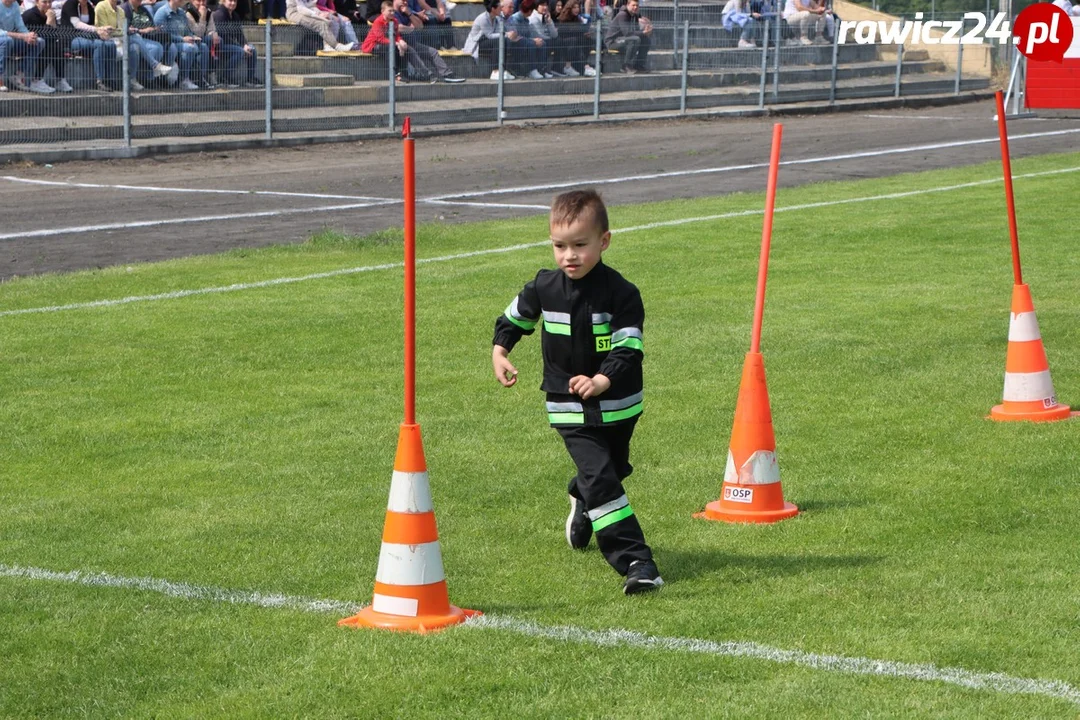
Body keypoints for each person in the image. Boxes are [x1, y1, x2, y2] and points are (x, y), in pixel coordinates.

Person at [491, 189, 663, 596]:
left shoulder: (623, 293)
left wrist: (603, 379)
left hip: (619, 406)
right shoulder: (543, 287)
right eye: (559, 246)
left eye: (580, 245)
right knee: (603, 478)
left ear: (604, 242)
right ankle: (637, 562)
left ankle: (582, 497)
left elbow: (629, 348)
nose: (569, 256)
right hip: (567, 407)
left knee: (612, 470)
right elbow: (514, 318)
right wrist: (501, 350)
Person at [391, 0, 463, 81]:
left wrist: (410, 14)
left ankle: (447, 74)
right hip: (400, 45)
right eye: (403, 0)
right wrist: (411, 28)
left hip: (412, 43)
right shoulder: (391, 13)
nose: (405, 3)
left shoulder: (407, 12)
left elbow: (420, 26)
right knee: (411, 51)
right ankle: (428, 75)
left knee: (433, 52)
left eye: (406, 1)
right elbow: (398, 28)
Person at [61, 0, 116, 90]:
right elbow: (76, 24)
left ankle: (110, 78)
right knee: (99, 44)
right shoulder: (70, 4)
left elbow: (93, 24)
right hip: (71, 38)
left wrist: (103, 31)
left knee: (110, 44)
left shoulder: (89, 6)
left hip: (88, 37)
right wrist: (97, 29)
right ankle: (100, 80)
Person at [154, 0, 209, 89]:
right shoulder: (162, 13)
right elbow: (162, 35)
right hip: (170, 43)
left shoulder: (181, 13)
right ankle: (183, 80)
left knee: (203, 47)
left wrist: (192, 37)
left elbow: (187, 31)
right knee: (190, 48)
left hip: (183, 41)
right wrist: (182, 39)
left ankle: (200, 78)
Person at [121, 0, 177, 85]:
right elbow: (126, 30)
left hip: (146, 37)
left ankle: (151, 78)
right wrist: (142, 31)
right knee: (154, 47)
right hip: (131, 38)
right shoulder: (125, 9)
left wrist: (154, 29)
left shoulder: (143, 9)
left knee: (159, 46)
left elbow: (151, 24)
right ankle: (153, 69)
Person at [1, 0, 49, 92]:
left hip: (11, 39)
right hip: (4, 39)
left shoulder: (14, 4)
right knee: (7, 40)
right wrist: (22, 36)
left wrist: (28, 35)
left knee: (39, 42)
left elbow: (20, 25)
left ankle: (19, 75)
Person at [21, 0, 70, 91]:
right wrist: (48, 21)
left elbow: (53, 35)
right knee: (49, 47)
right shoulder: (30, 15)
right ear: (37, 2)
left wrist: (52, 22)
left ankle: (60, 79)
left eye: (49, 2)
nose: (47, 5)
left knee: (57, 47)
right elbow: (41, 36)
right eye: (44, 2)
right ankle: (37, 80)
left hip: (41, 43)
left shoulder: (50, 14)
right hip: (26, 43)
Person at [212, 0, 262, 85]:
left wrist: (245, 45)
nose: (233, 3)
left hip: (232, 45)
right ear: (223, 1)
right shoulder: (219, 14)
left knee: (252, 49)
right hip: (220, 45)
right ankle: (225, 77)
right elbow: (223, 35)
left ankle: (250, 78)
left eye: (235, 1)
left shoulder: (235, 15)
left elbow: (239, 34)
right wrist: (241, 47)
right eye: (230, 1)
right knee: (239, 51)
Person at [462, 0, 510, 80]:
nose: (501, 9)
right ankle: (495, 71)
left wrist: (507, 35)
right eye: (499, 7)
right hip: (477, 43)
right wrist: (507, 34)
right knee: (499, 41)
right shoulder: (482, 18)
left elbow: (499, 32)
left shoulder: (497, 18)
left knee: (504, 41)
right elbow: (490, 35)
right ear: (493, 9)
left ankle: (503, 70)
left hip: (487, 41)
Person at [285, 0, 352, 52]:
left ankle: (328, 46)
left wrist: (322, 13)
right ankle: (337, 46)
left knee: (332, 20)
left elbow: (312, 6)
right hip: (294, 13)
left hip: (307, 11)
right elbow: (301, 9)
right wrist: (318, 15)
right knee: (321, 24)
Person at [603, 0, 649, 74]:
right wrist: (643, 32)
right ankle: (626, 66)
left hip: (624, 40)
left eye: (637, 5)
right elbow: (627, 33)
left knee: (646, 40)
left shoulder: (635, 15)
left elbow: (636, 31)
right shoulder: (622, 15)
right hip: (613, 42)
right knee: (634, 40)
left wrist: (646, 31)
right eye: (633, 5)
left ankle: (639, 65)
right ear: (628, 4)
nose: (635, 7)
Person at [505, 0, 543, 79]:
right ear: (530, 11)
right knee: (531, 44)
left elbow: (529, 34)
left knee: (543, 43)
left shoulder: (526, 19)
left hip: (525, 40)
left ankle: (542, 69)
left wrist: (535, 39)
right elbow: (516, 36)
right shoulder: (514, 19)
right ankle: (532, 70)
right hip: (515, 43)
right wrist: (533, 40)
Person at [554, 0, 590, 77]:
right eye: (574, 7)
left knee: (586, 40)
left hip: (575, 41)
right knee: (575, 41)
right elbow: (563, 32)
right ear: (569, 8)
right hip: (563, 41)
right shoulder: (563, 18)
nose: (577, 9)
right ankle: (571, 66)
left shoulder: (578, 18)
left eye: (578, 7)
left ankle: (585, 66)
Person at [528, 0, 556, 76]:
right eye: (542, 5)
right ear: (537, 6)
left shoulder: (546, 16)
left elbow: (555, 34)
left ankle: (555, 69)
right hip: (535, 40)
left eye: (546, 5)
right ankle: (542, 70)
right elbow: (538, 35)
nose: (545, 7)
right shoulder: (533, 18)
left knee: (558, 41)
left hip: (547, 39)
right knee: (546, 42)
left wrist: (550, 22)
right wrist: (549, 37)